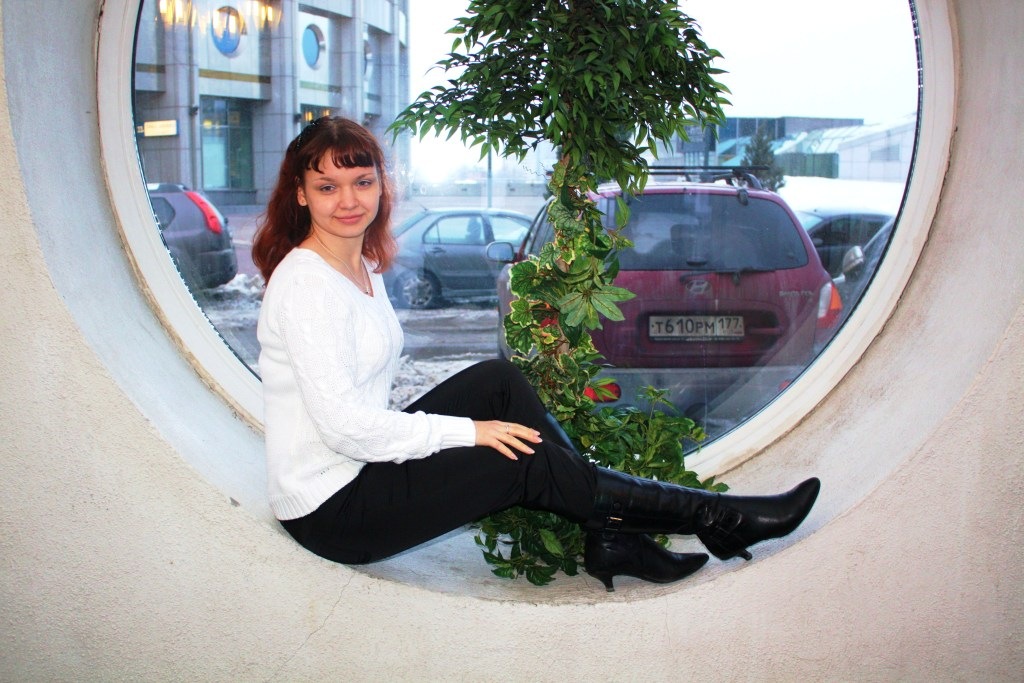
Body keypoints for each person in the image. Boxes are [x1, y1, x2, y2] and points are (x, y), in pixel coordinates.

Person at [252, 116, 820, 592]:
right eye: (327, 187)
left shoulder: (360, 265)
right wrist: (470, 433)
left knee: (498, 382)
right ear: (300, 193)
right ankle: (714, 516)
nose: (348, 201)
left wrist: (471, 428)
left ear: (381, 185)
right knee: (515, 456)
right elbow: (344, 427)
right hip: (332, 509)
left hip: (359, 470)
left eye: (361, 181)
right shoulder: (307, 285)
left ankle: (615, 535)